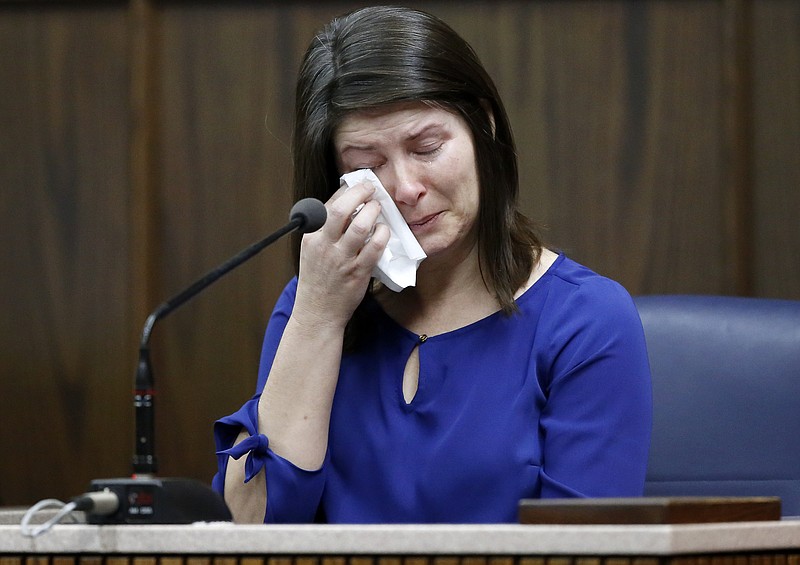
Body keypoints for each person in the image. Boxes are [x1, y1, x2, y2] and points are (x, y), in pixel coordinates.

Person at [212, 5, 652, 524]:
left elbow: (585, 554)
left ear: (483, 126)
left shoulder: (587, 319)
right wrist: (318, 317)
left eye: (426, 147)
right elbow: (253, 526)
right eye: (367, 166)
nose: (405, 188)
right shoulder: (313, 305)